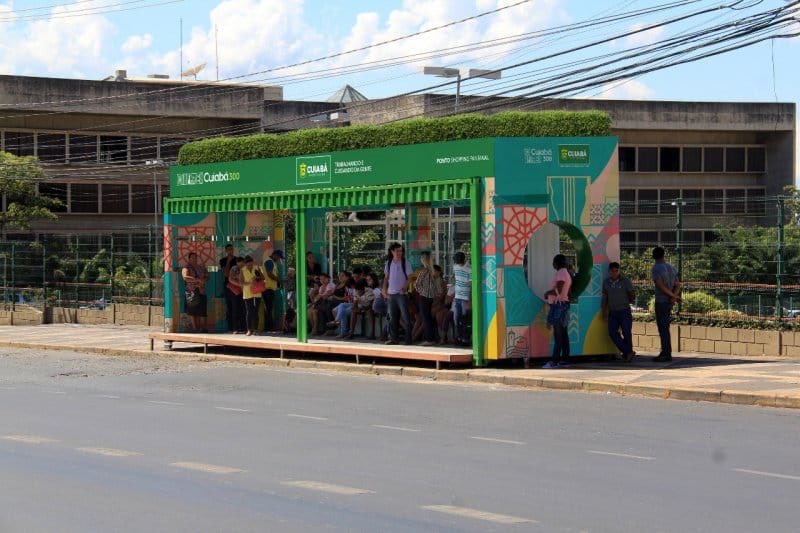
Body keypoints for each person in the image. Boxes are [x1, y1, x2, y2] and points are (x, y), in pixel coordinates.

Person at [602, 262, 636, 362]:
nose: (614, 273)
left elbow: (632, 294)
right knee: (612, 333)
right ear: (609, 271)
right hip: (613, 312)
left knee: (626, 332)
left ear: (619, 271)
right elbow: (605, 297)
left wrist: (629, 301)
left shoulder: (625, 281)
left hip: (624, 311)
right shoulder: (606, 282)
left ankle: (627, 354)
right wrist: (604, 310)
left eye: (616, 271)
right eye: (612, 271)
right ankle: (628, 351)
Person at [651, 246, 681, 362]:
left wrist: (672, 296)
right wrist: (673, 296)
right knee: (665, 327)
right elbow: (678, 284)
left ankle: (666, 353)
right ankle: (665, 352)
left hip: (661, 301)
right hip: (669, 302)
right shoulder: (671, 267)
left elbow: (660, 285)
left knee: (662, 328)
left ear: (654, 256)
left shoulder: (656, 268)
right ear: (663, 255)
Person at [542, 254, 572, 368]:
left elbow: (558, 291)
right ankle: (565, 359)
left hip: (558, 306)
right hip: (563, 305)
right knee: (563, 334)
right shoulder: (566, 273)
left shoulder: (561, 273)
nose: (552, 264)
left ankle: (554, 361)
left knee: (558, 334)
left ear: (557, 263)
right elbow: (567, 291)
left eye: (554, 262)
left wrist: (547, 293)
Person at [382, 242, 413, 345]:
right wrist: (384, 289)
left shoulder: (405, 262)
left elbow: (410, 277)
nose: (400, 252)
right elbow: (386, 278)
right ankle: (393, 338)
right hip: (391, 294)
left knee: (406, 317)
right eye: (397, 251)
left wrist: (404, 287)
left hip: (401, 294)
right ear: (392, 252)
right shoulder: (388, 263)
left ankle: (408, 339)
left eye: (401, 250)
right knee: (392, 317)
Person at [414, 251, 441, 346]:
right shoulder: (434, 271)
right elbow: (437, 287)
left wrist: (423, 291)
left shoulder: (424, 271)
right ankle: (433, 338)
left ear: (424, 259)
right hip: (432, 298)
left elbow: (417, 284)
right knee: (430, 318)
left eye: (422, 258)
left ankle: (429, 339)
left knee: (426, 318)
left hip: (425, 297)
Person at [181, 252, 208, 333]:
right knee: (192, 310)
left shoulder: (201, 267)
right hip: (192, 292)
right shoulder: (186, 267)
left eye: (195, 257)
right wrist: (197, 280)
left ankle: (202, 328)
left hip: (202, 291)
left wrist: (204, 280)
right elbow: (185, 277)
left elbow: (207, 276)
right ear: (189, 259)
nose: (194, 259)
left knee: (203, 310)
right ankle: (195, 328)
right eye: (192, 257)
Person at [241, 255, 265, 336]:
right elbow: (241, 282)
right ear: (245, 264)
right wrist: (250, 282)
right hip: (247, 293)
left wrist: (257, 277)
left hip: (257, 292)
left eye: (251, 264)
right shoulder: (242, 270)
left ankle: (256, 330)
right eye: (248, 265)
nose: (250, 266)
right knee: (249, 311)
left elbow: (263, 277)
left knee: (256, 311)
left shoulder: (256, 267)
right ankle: (249, 330)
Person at [452, 251, 471, 344]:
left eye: (458, 261)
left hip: (465, 298)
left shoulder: (469, 269)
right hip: (457, 297)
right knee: (456, 318)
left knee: (464, 319)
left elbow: (471, 284)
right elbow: (455, 279)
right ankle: (459, 337)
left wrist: (470, 299)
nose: (457, 263)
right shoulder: (455, 267)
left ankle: (465, 339)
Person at [263, 249, 283, 333]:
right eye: (278, 257)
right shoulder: (269, 261)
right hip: (267, 289)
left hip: (270, 288)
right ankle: (268, 327)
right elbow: (269, 274)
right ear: (275, 255)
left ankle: (269, 326)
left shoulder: (271, 262)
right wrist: (279, 280)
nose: (279, 259)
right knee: (269, 308)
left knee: (269, 308)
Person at [219, 244, 238, 333]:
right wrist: (228, 262)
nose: (230, 251)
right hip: (228, 285)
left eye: (231, 249)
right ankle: (231, 327)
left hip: (237, 285)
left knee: (236, 306)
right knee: (229, 306)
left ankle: (236, 327)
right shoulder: (223, 260)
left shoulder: (237, 260)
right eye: (228, 249)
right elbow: (225, 274)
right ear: (226, 251)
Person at [227, 256, 247, 333]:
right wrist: (240, 284)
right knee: (235, 309)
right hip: (234, 291)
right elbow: (230, 279)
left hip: (243, 291)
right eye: (240, 262)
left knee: (243, 310)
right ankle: (235, 328)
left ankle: (244, 328)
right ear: (237, 262)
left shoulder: (245, 268)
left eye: (243, 262)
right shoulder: (234, 268)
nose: (242, 264)